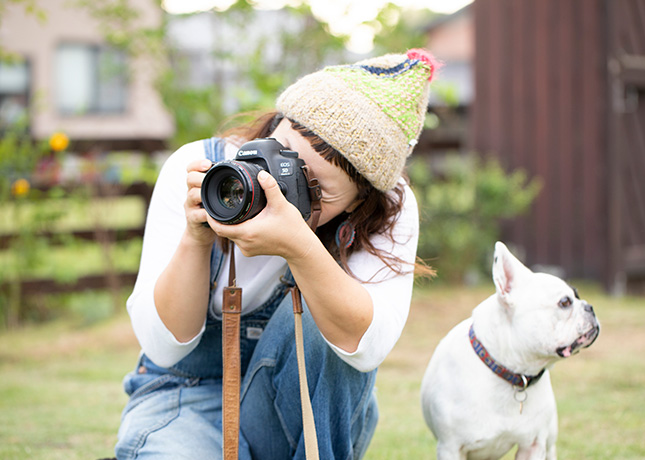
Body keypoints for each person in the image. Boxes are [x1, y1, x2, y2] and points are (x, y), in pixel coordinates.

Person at [115, 49, 438, 460]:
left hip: (298, 406)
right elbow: (163, 348)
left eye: (314, 187)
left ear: (359, 202)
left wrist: (301, 250)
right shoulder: (202, 166)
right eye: (282, 152)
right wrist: (196, 240)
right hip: (186, 395)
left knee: (326, 321)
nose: (277, 182)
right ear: (276, 122)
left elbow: (366, 346)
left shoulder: (389, 206)